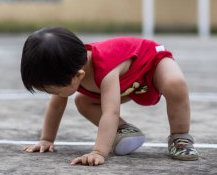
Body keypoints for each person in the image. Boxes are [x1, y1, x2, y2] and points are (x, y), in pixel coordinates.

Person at [20, 27, 199, 166]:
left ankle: (180, 137)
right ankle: (124, 129)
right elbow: (56, 106)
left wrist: (98, 152)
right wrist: (46, 139)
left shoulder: (105, 68)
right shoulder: (69, 69)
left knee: (175, 84)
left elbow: (110, 112)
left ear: (79, 75)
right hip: (129, 84)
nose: (53, 95)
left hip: (152, 65)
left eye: (54, 91)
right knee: (83, 101)